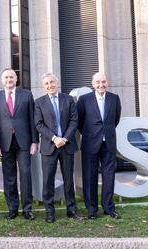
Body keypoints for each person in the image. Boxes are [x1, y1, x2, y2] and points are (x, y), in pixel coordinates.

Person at [34, 73, 84, 223]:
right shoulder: (39, 102)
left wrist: (65, 138)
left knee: (69, 180)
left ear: (57, 83)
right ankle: (49, 211)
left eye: (52, 82)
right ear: (44, 86)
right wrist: (55, 138)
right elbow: (39, 124)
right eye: (47, 83)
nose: (50, 85)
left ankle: (72, 209)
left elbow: (74, 121)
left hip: (67, 146)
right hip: (49, 146)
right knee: (48, 180)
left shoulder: (68, 100)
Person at [0, 68, 38, 220]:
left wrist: (34, 141)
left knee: (25, 174)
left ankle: (27, 209)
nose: (9, 80)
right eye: (6, 77)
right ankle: (12, 208)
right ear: (1, 80)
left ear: (16, 79)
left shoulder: (27, 95)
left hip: (24, 142)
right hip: (5, 143)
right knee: (9, 177)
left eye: (11, 77)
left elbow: (33, 119)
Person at [77, 72, 122, 219]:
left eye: (103, 82)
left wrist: (105, 132)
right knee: (90, 177)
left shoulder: (114, 98)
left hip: (108, 143)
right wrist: (92, 133)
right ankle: (92, 210)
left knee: (109, 176)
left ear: (107, 82)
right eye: (98, 82)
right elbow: (79, 122)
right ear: (93, 84)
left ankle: (109, 208)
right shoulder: (84, 100)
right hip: (90, 143)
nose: (101, 85)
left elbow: (115, 119)